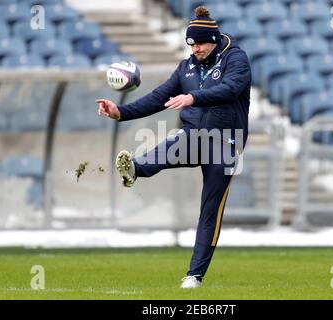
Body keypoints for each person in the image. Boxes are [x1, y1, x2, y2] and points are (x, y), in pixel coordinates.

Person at [96, 6, 251, 289]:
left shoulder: (236, 59)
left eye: (201, 43)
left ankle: (194, 276)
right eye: (191, 44)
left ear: (214, 39)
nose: (196, 49)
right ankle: (134, 169)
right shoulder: (186, 66)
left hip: (226, 142)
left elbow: (230, 89)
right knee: (172, 144)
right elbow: (157, 98)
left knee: (210, 211)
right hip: (194, 136)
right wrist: (121, 111)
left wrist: (193, 97)